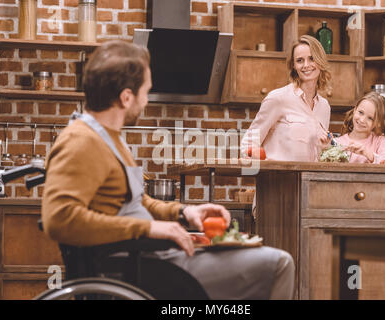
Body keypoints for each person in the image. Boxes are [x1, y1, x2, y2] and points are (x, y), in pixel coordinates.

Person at [41, 40, 295, 300]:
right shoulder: (81, 141)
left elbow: (136, 201)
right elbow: (59, 219)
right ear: (126, 97)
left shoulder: (108, 137)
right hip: (138, 266)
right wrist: (150, 229)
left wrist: (184, 212)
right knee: (278, 264)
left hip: (148, 257)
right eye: (145, 92)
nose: (146, 101)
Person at [240, 35, 332, 161]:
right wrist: (268, 166)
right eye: (299, 60)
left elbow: (318, 154)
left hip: (310, 179)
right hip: (279, 178)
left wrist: (325, 146)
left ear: (320, 61)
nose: (306, 65)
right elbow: (248, 144)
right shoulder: (278, 98)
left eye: (312, 59)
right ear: (293, 66)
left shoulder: (324, 106)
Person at [335, 92, 385, 164]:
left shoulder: (380, 142)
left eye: (370, 118)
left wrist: (368, 154)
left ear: (378, 123)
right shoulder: (338, 143)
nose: (362, 120)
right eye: (361, 112)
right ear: (355, 110)